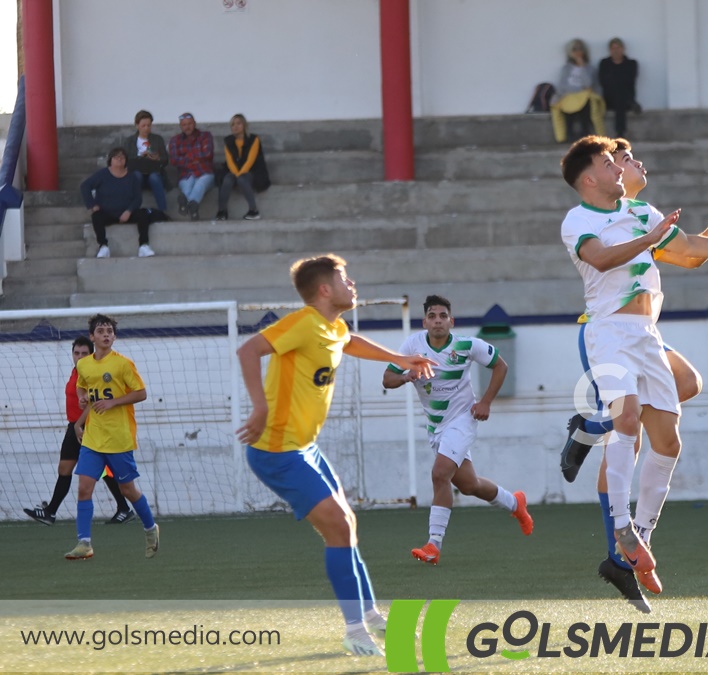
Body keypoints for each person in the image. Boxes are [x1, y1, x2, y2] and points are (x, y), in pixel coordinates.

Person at [558, 135, 708, 597]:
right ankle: (621, 526)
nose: (622, 167)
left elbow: (688, 250)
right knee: (627, 419)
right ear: (589, 177)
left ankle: (640, 539)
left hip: (647, 335)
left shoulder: (644, 212)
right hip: (607, 330)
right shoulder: (578, 219)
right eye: (612, 162)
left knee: (669, 439)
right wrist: (651, 239)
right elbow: (599, 260)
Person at [236, 254, 435, 657]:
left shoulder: (333, 326)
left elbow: (350, 341)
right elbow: (248, 350)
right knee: (339, 527)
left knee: (348, 525)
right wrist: (259, 407)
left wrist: (399, 358)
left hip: (305, 448)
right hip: (277, 451)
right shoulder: (303, 322)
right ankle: (354, 629)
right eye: (345, 278)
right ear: (325, 289)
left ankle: (370, 615)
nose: (353, 284)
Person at [382, 295, 533, 566]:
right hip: (437, 427)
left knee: (440, 474)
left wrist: (485, 401)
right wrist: (406, 377)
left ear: (451, 321)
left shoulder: (466, 345)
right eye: (432, 316)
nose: (438, 320)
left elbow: (501, 365)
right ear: (425, 321)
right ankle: (515, 503)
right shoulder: (412, 346)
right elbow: (387, 378)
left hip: (463, 420)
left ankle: (433, 545)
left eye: (442, 316)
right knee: (468, 484)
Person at [64, 314, 160, 561]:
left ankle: (151, 529)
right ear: (93, 336)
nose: (106, 334)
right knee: (84, 488)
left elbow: (141, 393)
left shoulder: (123, 364)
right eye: (101, 331)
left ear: (114, 337)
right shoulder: (84, 364)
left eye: (110, 331)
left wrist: (113, 402)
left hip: (119, 437)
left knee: (127, 489)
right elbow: (82, 386)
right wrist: (83, 399)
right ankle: (84, 543)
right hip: (94, 437)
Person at [24, 337, 133, 526]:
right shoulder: (77, 372)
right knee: (65, 469)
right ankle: (50, 512)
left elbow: (93, 401)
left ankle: (124, 508)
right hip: (73, 425)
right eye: (76, 353)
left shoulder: (93, 373)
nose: (80, 356)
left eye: (84, 353)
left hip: (88, 426)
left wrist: (80, 425)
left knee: (103, 471)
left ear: (91, 354)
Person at [80, 148, 155, 259]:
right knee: (96, 217)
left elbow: (138, 198)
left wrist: (128, 211)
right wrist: (92, 205)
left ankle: (143, 245)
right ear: (111, 160)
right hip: (107, 212)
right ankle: (103, 246)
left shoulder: (132, 177)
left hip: (126, 213)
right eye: (116, 157)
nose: (119, 159)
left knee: (143, 215)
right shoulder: (102, 174)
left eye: (122, 157)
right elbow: (85, 186)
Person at [550, 39, 607, 143]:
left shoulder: (590, 69)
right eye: (574, 49)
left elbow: (589, 84)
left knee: (585, 106)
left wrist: (581, 66)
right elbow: (563, 86)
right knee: (566, 107)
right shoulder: (566, 68)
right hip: (569, 96)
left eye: (580, 49)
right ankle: (569, 134)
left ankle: (585, 133)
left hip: (585, 97)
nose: (577, 52)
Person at [217, 114, 268, 221]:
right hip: (235, 170)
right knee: (227, 179)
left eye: (238, 123)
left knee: (242, 179)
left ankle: (254, 210)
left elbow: (251, 160)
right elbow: (230, 161)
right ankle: (222, 211)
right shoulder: (228, 141)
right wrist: (235, 174)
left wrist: (239, 175)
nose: (235, 127)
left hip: (252, 171)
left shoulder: (254, 139)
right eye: (232, 125)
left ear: (244, 125)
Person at [168, 112, 214, 221]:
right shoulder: (175, 140)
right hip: (186, 174)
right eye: (184, 124)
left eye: (189, 124)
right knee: (187, 186)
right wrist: (196, 158)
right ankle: (193, 208)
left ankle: (187, 203)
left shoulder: (205, 136)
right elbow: (174, 160)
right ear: (180, 126)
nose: (187, 127)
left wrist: (186, 158)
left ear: (194, 124)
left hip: (204, 172)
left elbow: (208, 154)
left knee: (200, 184)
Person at [122, 110, 170, 212]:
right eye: (143, 125)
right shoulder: (130, 141)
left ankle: (163, 211)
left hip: (154, 172)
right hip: (137, 173)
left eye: (149, 125)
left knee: (154, 177)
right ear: (137, 125)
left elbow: (165, 160)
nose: (146, 128)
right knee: (137, 176)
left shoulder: (157, 139)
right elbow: (125, 160)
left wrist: (157, 158)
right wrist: (140, 157)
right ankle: (132, 210)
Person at [599, 38, 639, 138]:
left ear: (623, 49)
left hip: (625, 97)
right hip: (609, 98)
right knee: (618, 95)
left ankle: (620, 132)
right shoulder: (605, 63)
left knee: (620, 97)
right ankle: (620, 132)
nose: (616, 50)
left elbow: (630, 81)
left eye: (618, 48)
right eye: (613, 48)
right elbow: (603, 81)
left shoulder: (631, 64)